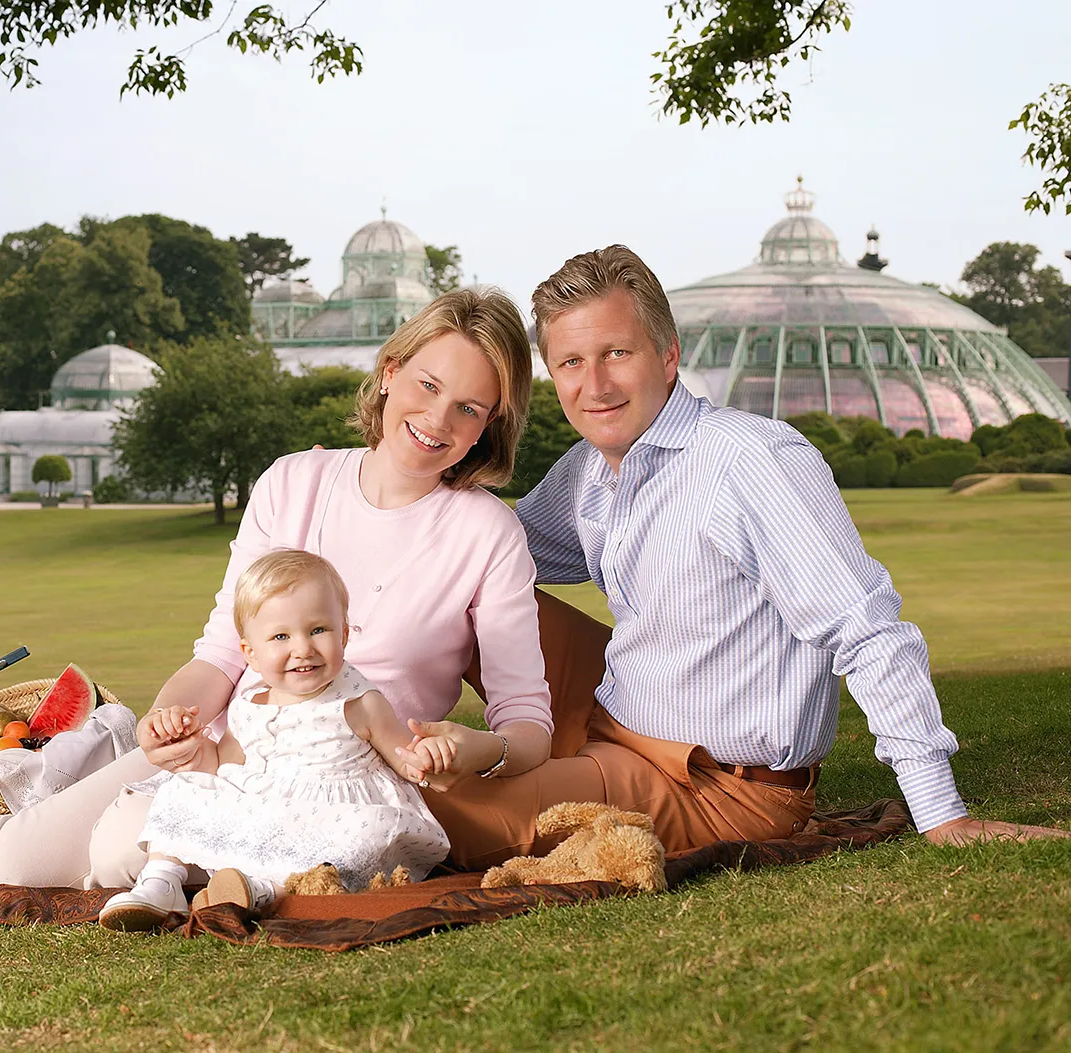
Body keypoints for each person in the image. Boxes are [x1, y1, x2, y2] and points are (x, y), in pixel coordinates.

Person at [419, 244, 1070, 866]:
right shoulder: (591, 469)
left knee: (427, 816)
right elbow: (488, 546)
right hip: (614, 705)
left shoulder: (750, 461)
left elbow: (869, 630)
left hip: (714, 782)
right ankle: (343, 737)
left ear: (669, 356)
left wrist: (941, 810)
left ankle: (403, 787)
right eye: (570, 362)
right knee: (460, 582)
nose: (595, 384)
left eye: (617, 351)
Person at [0, 286, 560, 887]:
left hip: (338, 790)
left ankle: (112, 843)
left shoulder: (487, 533)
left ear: (489, 425)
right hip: (224, 756)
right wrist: (167, 723)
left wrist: (479, 750)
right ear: (390, 373)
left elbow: (528, 723)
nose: (439, 420)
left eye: (470, 408)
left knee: (123, 851)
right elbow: (220, 653)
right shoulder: (292, 483)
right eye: (427, 385)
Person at [98, 549, 452, 931]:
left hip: (332, 815)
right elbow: (225, 767)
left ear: (345, 634)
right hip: (265, 809)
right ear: (251, 653)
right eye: (281, 636)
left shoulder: (360, 703)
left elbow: (406, 758)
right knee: (181, 787)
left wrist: (426, 756)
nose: (303, 648)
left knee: (366, 835)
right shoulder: (250, 704)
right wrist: (199, 755)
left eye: (319, 630)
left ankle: (266, 890)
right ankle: (161, 881)